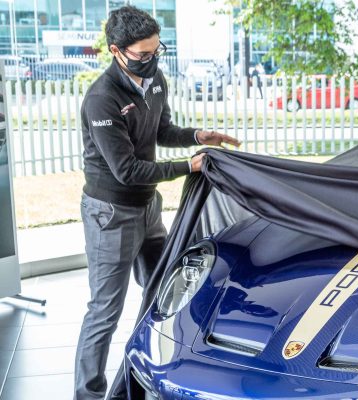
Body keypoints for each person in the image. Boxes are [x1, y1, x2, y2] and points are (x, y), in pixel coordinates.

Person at [73, 6, 240, 400]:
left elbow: (162, 130)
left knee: (164, 290)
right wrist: (188, 166)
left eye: (156, 51)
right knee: (105, 311)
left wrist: (198, 136)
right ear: (117, 51)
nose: (151, 60)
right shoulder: (102, 100)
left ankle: (149, 375)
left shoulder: (155, 80)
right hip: (110, 213)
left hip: (148, 208)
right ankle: (87, 394)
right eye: (142, 54)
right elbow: (127, 170)